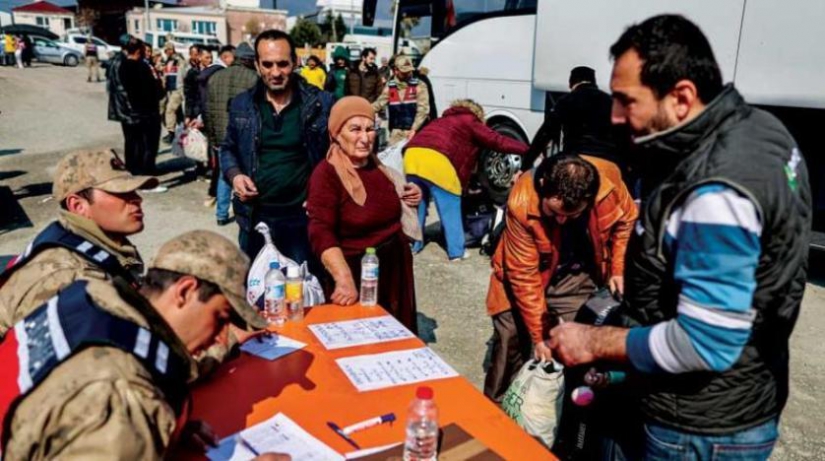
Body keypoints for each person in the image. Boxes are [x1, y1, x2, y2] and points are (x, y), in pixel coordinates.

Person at [548, 15, 811, 460]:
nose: (614, 115)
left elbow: (703, 342)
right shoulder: (758, 128)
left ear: (682, 97)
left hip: (699, 428)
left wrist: (593, 342)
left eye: (626, 101)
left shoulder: (716, 190)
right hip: (738, 397)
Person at [0, 230, 289, 460]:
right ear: (185, 291)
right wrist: (135, 424)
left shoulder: (94, 295)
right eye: (220, 317)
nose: (219, 337)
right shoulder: (121, 395)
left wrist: (158, 431)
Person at [484, 153, 637, 403]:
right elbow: (524, 277)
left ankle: (566, 412)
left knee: (577, 337)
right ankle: (496, 413)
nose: (562, 220)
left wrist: (618, 267)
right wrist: (539, 335)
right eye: (554, 213)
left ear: (589, 199)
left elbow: (626, 221)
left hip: (575, 274)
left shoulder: (607, 183)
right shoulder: (522, 201)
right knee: (509, 341)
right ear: (544, 185)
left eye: (573, 214)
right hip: (521, 274)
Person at [0, 149, 156, 335]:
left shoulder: (98, 242)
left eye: (133, 190)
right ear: (78, 206)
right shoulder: (70, 280)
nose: (137, 199)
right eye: (120, 193)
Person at [307, 96, 422, 332]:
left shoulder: (378, 167)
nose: (364, 137)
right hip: (356, 274)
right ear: (337, 133)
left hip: (394, 271)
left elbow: (389, 198)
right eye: (355, 129)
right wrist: (343, 278)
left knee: (395, 342)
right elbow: (320, 230)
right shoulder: (326, 175)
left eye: (370, 129)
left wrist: (412, 194)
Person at [220, 30, 333, 270]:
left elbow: (344, 153)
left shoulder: (321, 103)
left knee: (302, 293)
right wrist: (235, 175)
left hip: (302, 219)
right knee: (255, 294)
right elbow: (228, 148)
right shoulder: (242, 104)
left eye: (282, 64)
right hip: (255, 216)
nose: (275, 72)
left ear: (295, 62)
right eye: (267, 64)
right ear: (257, 65)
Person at [405, 99, 530, 260]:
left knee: (418, 204)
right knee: (450, 206)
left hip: (412, 155)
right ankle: (456, 251)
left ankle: (416, 244)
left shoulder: (442, 120)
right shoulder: (470, 120)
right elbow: (497, 141)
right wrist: (527, 149)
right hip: (437, 160)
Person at [523, 66, 619, 172]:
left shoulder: (566, 101)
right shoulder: (610, 102)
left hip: (576, 164)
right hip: (608, 164)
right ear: (594, 82)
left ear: (571, 84)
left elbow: (544, 135)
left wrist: (524, 167)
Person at [205, 42, 258, 227]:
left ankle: (221, 214)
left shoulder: (215, 77)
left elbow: (209, 112)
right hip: (245, 136)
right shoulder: (254, 79)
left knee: (224, 174)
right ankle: (246, 214)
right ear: (250, 60)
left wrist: (212, 138)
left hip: (220, 135)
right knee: (245, 174)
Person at [120, 37, 165, 178]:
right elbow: (153, 91)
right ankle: (147, 176)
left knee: (134, 144)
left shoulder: (122, 65)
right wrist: (160, 85)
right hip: (146, 112)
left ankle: (134, 170)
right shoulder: (142, 67)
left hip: (129, 111)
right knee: (149, 145)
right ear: (139, 50)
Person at [372, 55, 430, 145]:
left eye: (409, 71)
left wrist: (414, 129)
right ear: (396, 70)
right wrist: (364, 110)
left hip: (414, 132)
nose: (408, 74)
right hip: (395, 132)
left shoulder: (419, 85)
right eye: (404, 72)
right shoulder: (390, 86)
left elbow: (423, 110)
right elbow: (379, 103)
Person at [161, 42, 187, 144]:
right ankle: (181, 132)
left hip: (177, 89)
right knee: (178, 112)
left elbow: (183, 73)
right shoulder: (167, 61)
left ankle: (171, 133)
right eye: (166, 50)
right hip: (169, 90)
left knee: (170, 110)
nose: (168, 52)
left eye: (170, 50)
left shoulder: (178, 60)